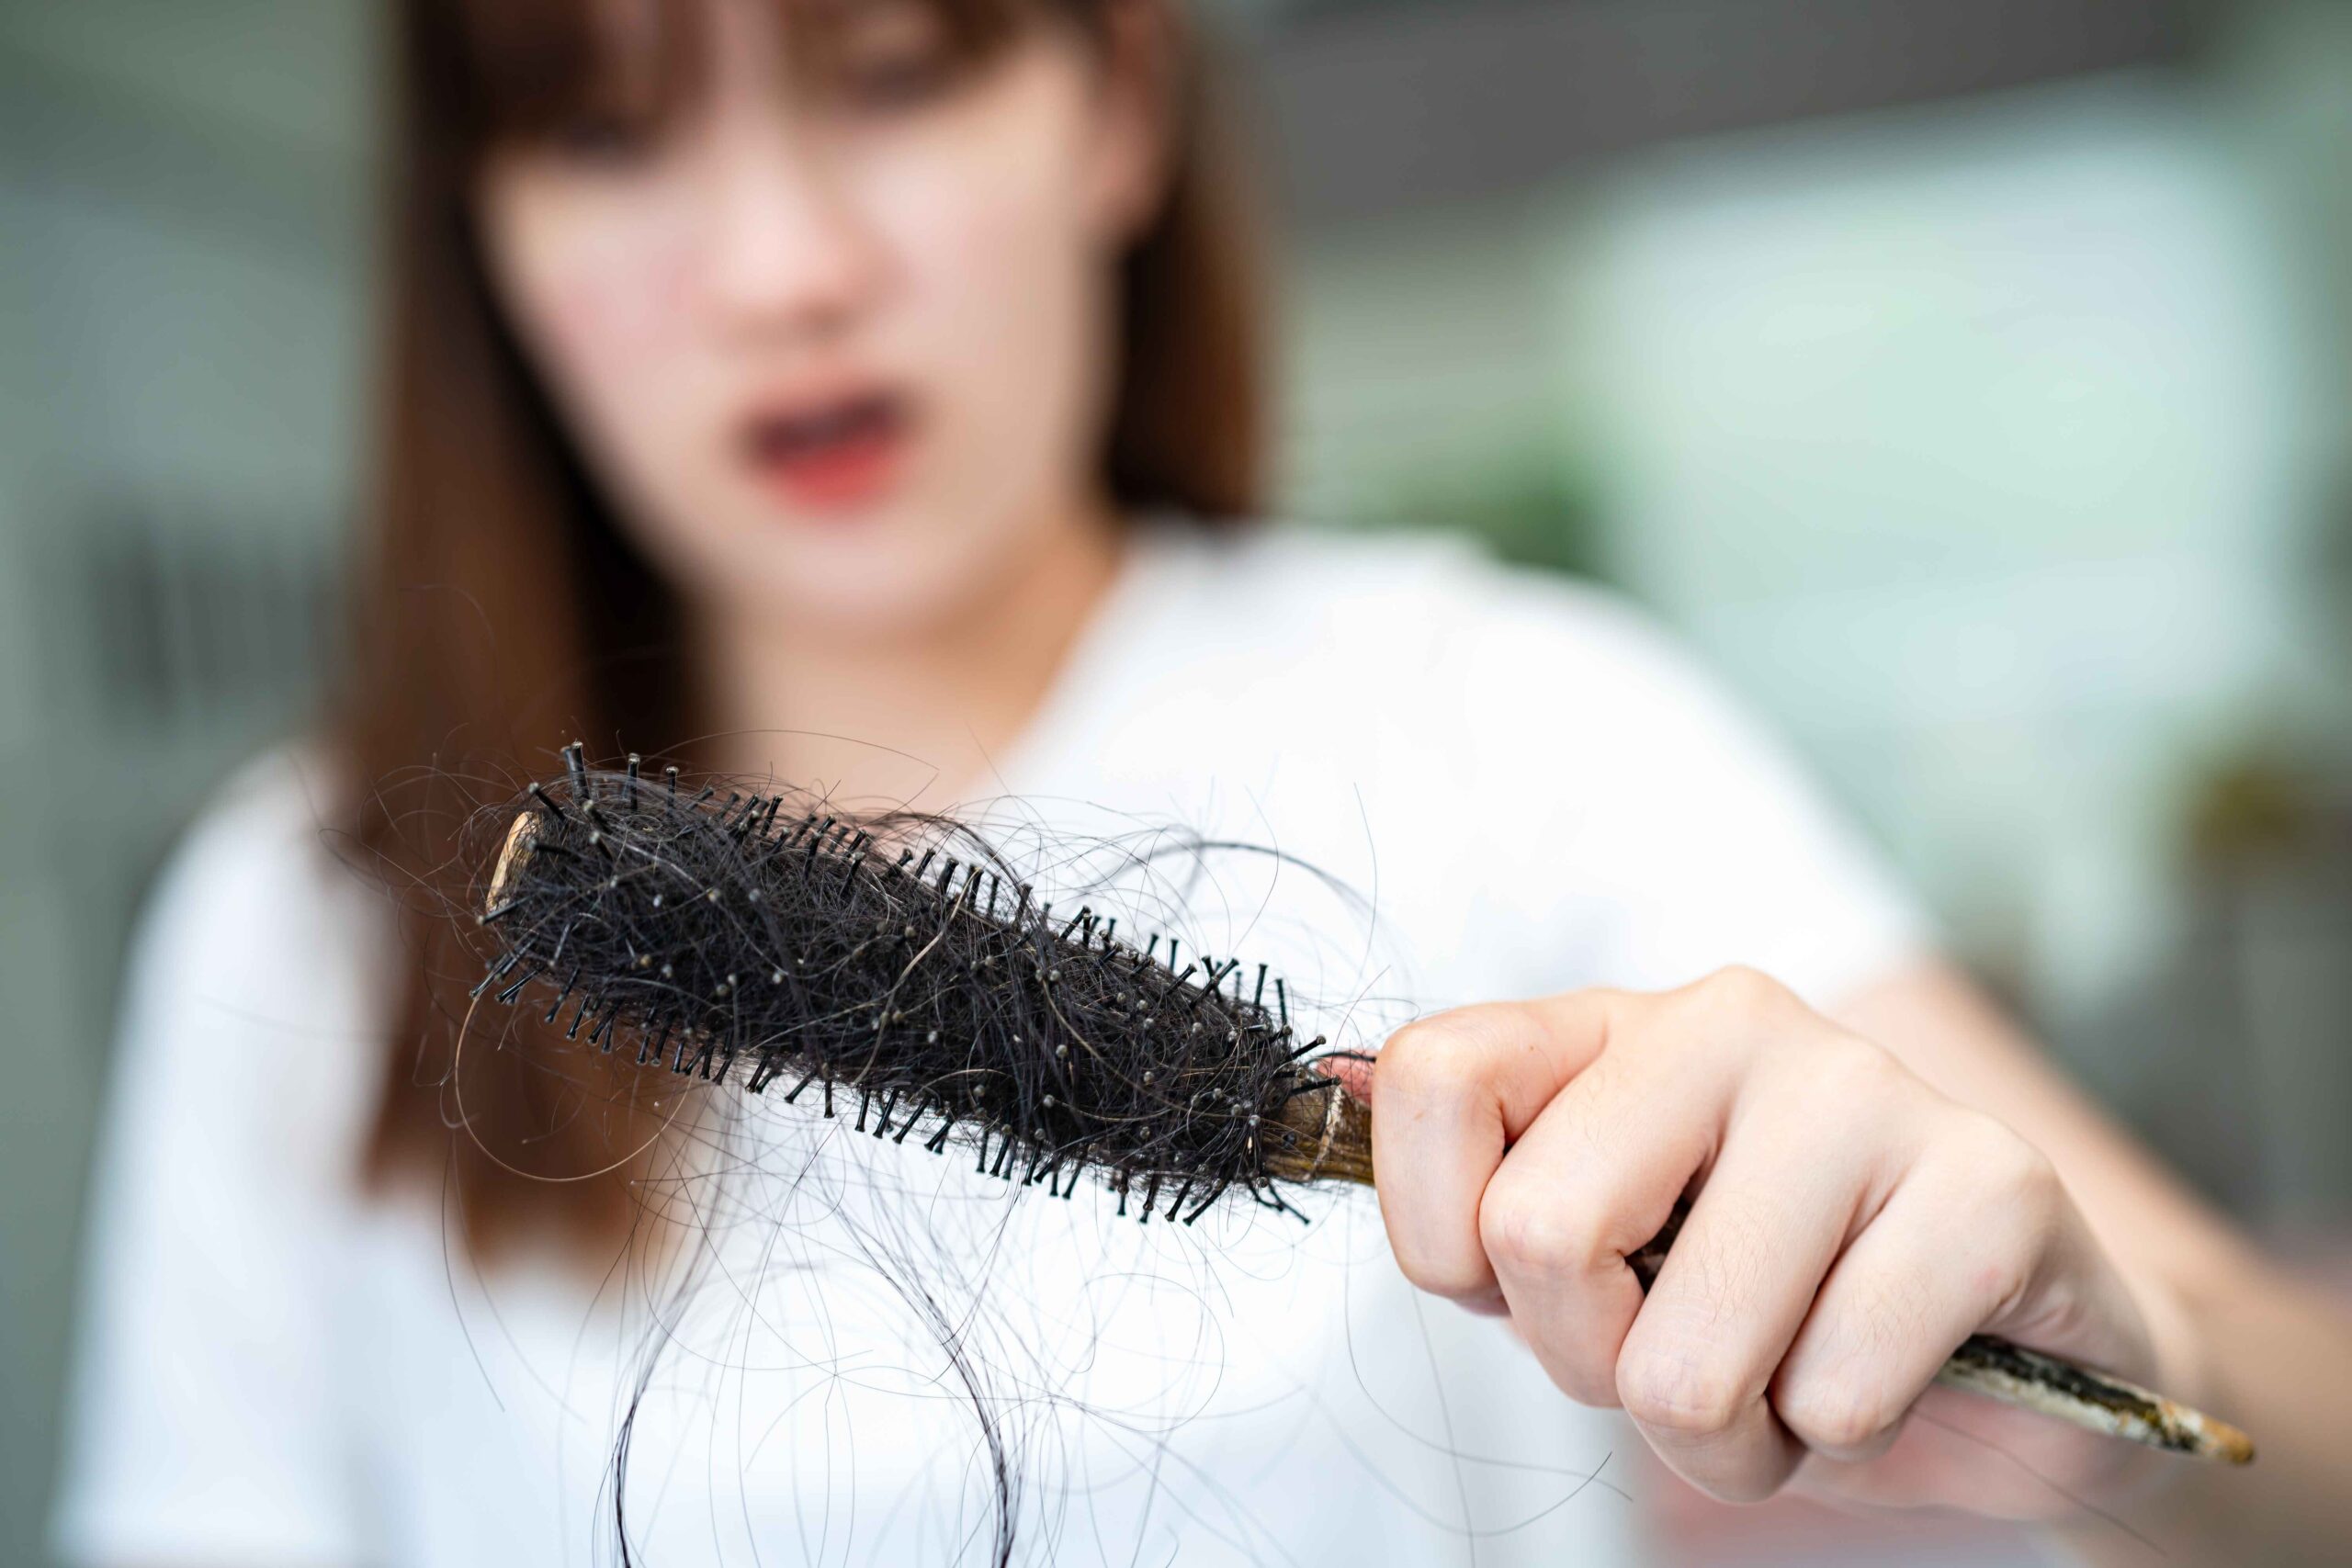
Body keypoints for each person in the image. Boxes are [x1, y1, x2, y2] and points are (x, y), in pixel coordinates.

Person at [51, 1, 2352, 1563]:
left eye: (890, 72)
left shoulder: (1515, 718)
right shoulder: (299, 910)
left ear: (1114, 105)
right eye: (603, 128)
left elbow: (2300, 1449)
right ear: (487, 234)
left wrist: (2100, 1350)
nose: (781, 268)